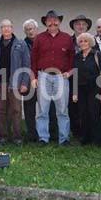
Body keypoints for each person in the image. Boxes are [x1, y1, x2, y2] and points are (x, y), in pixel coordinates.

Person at [31, 10, 75, 145]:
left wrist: (69, 72)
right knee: (42, 110)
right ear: (45, 22)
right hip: (43, 76)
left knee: (62, 110)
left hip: (61, 77)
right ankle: (43, 138)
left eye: (55, 20)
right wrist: (33, 77)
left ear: (59, 22)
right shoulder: (39, 38)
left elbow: (72, 58)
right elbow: (33, 58)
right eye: (49, 20)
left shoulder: (67, 38)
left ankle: (64, 139)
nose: (52, 22)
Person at [0, 19, 31, 144]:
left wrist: (25, 83)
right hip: (0, 83)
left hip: (15, 83)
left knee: (16, 110)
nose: (6, 29)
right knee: (0, 110)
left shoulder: (20, 44)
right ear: (1, 29)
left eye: (8, 26)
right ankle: (3, 136)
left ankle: (17, 137)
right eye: (3, 27)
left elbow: (27, 64)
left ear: (12, 28)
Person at [72, 32, 101, 147]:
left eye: (85, 41)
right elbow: (75, 75)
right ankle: (85, 139)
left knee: (94, 114)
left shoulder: (97, 55)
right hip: (81, 90)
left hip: (95, 89)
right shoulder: (77, 56)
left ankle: (99, 141)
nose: (83, 43)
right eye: (81, 41)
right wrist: (75, 93)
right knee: (83, 114)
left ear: (90, 42)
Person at [22, 18, 40, 142]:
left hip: (43, 79)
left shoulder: (43, 41)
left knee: (47, 109)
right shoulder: (22, 44)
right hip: (28, 81)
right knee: (29, 110)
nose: (30, 31)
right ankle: (32, 134)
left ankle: (49, 133)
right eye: (27, 29)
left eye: (32, 28)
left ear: (36, 29)